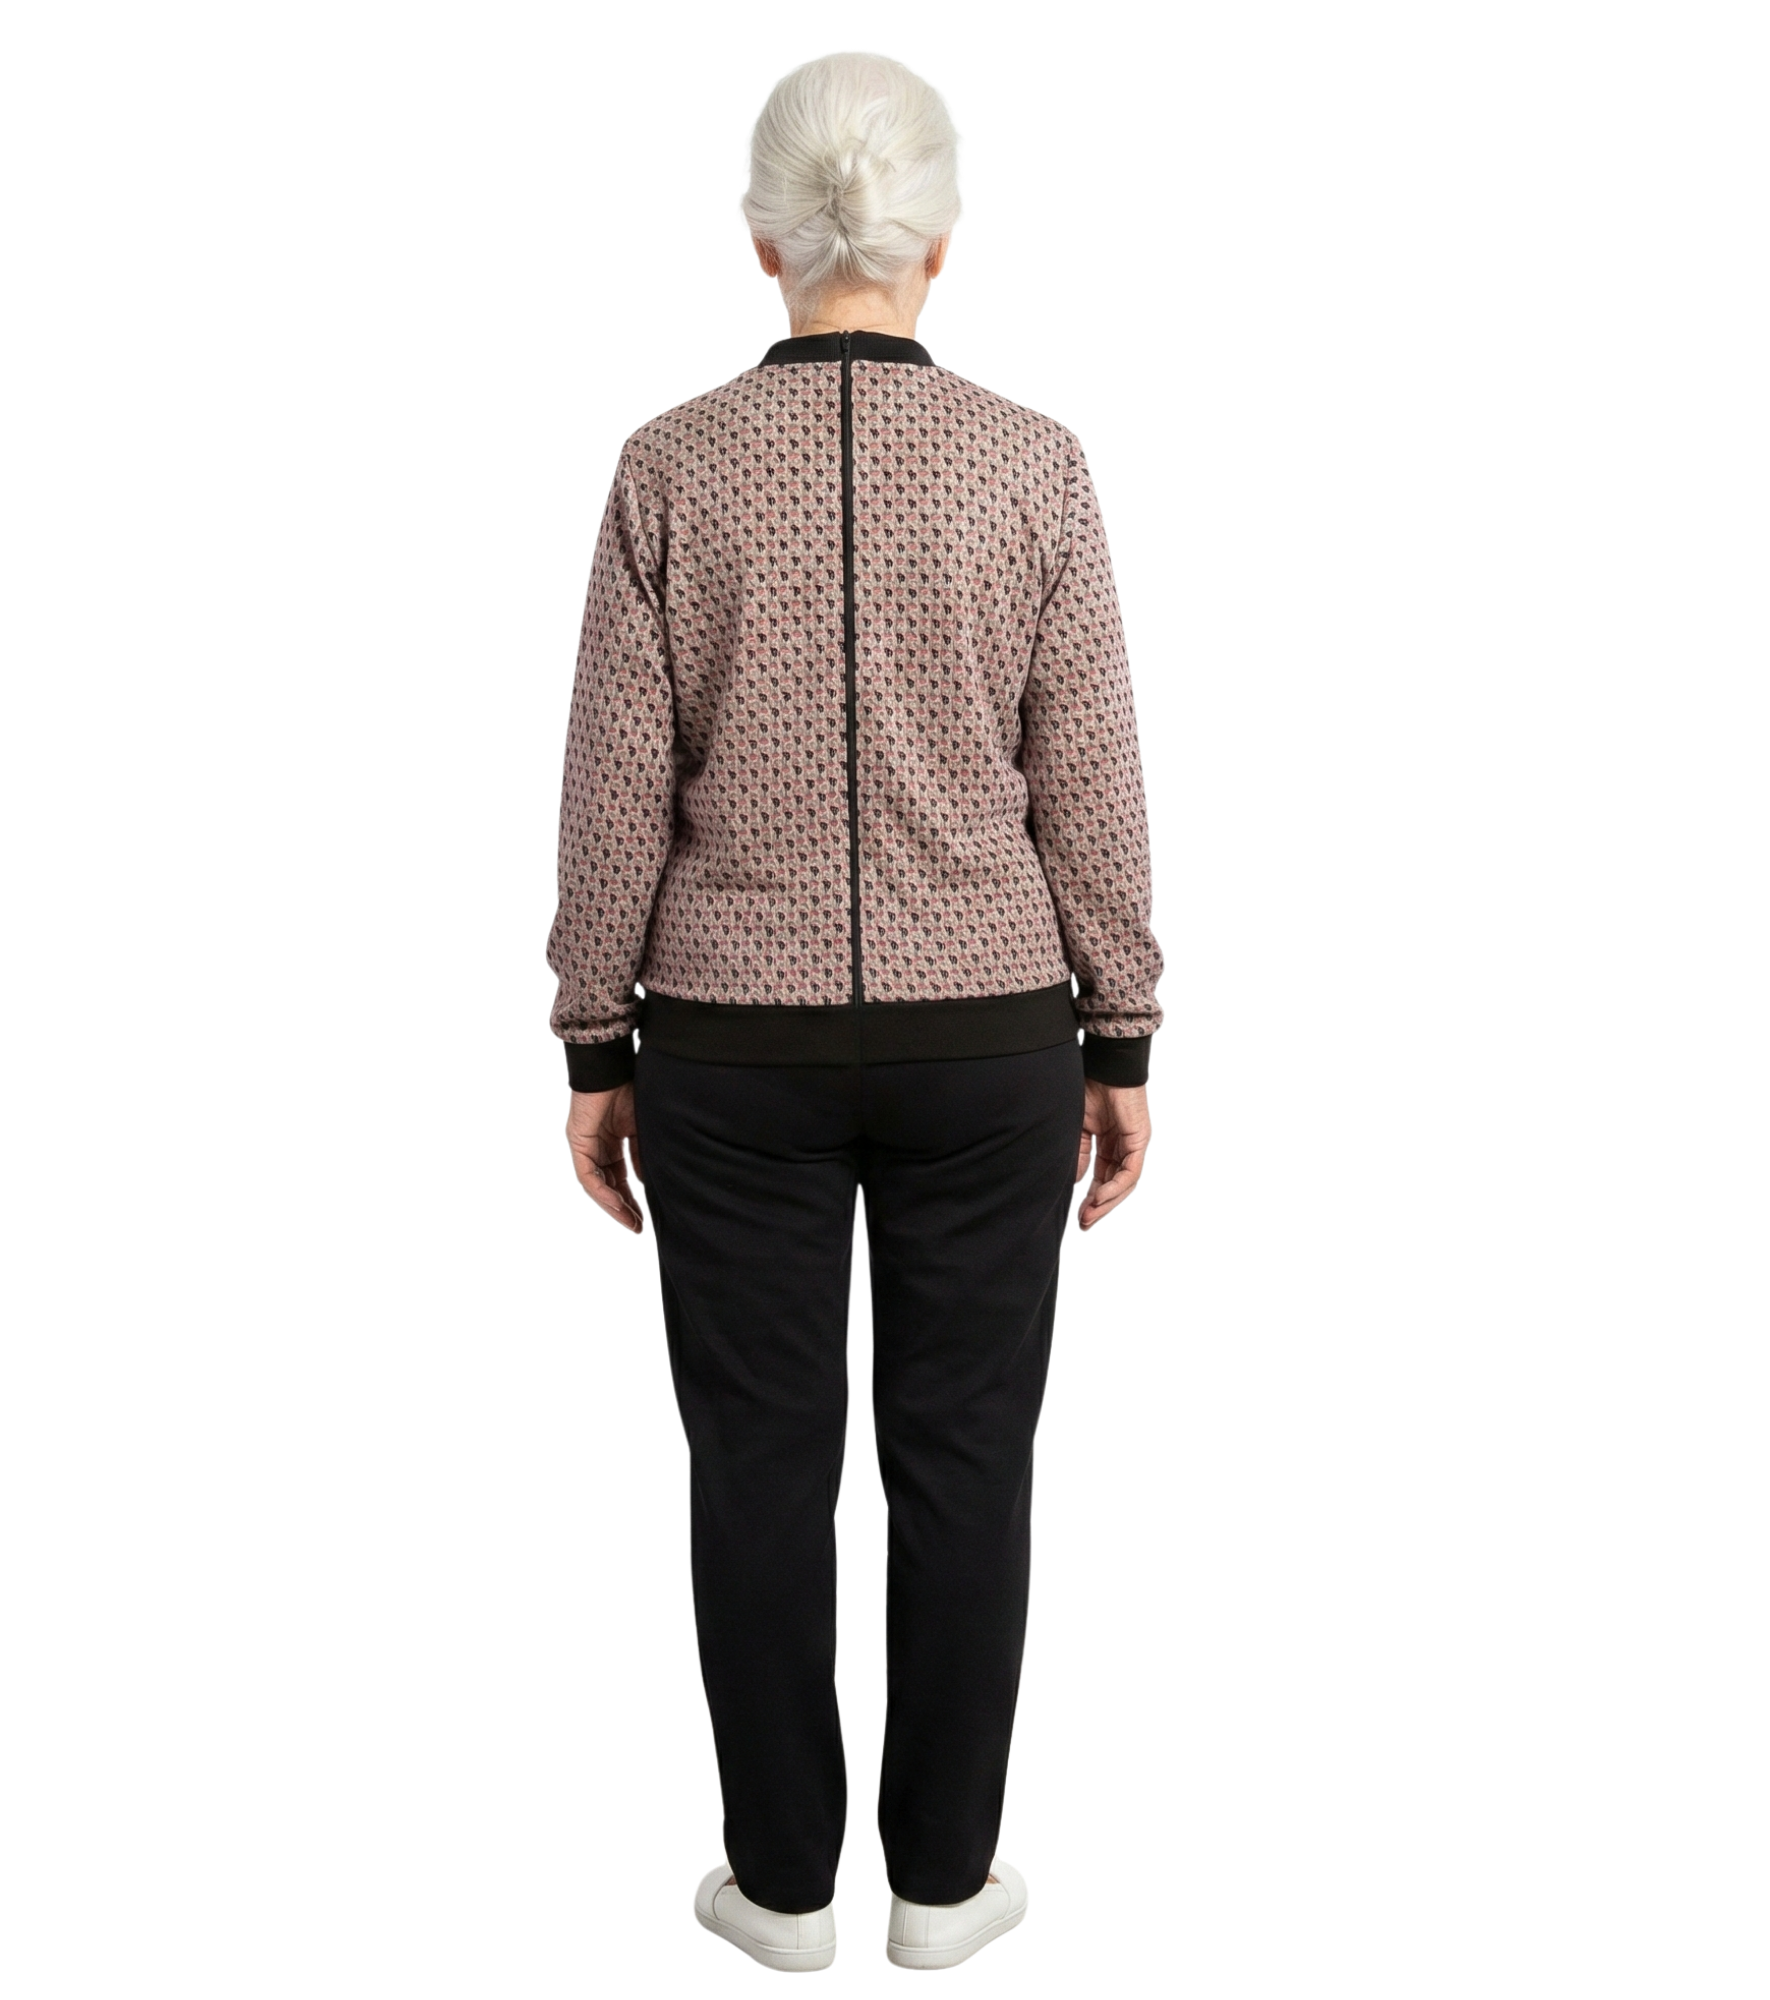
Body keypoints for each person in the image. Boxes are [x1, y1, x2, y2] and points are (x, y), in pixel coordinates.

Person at [545, 50, 1162, 1974]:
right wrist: (1122, 1036)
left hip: (730, 1050)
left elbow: (612, 784)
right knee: (965, 1460)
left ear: (763, 241)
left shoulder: (669, 465)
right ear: (940, 242)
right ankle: (944, 1889)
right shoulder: (1032, 463)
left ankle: (783, 1890)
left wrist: (594, 1041)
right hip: (993, 1043)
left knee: (759, 1464)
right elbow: (1093, 775)